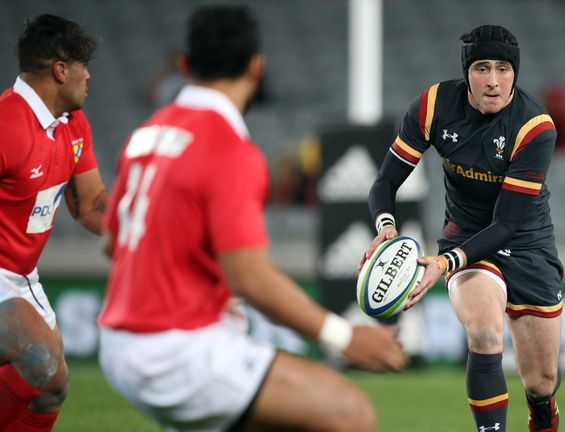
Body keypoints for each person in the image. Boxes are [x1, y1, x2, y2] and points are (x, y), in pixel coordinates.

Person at [97, 5, 406, 432]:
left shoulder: (147, 133)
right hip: (175, 349)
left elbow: (113, 244)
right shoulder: (228, 147)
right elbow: (250, 278)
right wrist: (344, 337)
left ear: (184, 64)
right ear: (257, 66)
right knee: (349, 413)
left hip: (118, 342)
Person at [361, 25, 564, 432]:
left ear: (515, 73)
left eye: (503, 69)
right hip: (467, 237)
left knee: (541, 382)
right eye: (482, 68)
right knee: (486, 335)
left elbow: (507, 222)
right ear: (466, 71)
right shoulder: (434, 105)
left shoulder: (535, 127)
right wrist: (385, 225)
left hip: (526, 242)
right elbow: (385, 182)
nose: (492, 81)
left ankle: (542, 411)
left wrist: (443, 263)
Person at [0, 14, 107, 432]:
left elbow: (92, 205)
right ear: (61, 70)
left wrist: (145, 224)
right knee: (41, 356)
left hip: (23, 275)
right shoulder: (8, 124)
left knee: (51, 388)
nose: (90, 76)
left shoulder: (72, 124)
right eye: (84, 64)